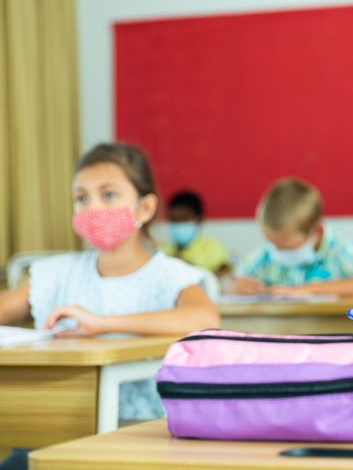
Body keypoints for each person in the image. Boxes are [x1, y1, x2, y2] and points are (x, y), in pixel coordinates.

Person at [0, 143, 221, 420]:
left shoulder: (169, 275)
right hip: (57, 422)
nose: (93, 208)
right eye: (82, 198)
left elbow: (203, 319)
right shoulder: (57, 274)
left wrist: (103, 324)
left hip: (142, 429)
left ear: (145, 208)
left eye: (109, 195)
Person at [231, 178, 353, 297]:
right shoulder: (267, 253)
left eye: (286, 247)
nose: (277, 252)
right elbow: (230, 280)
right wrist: (232, 286)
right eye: (272, 244)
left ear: (316, 230)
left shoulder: (339, 249)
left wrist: (309, 289)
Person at [161, 191, 231, 275]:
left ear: (198, 219)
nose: (178, 223)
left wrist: (187, 266)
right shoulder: (163, 251)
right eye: (174, 219)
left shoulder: (211, 247)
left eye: (184, 219)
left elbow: (224, 273)